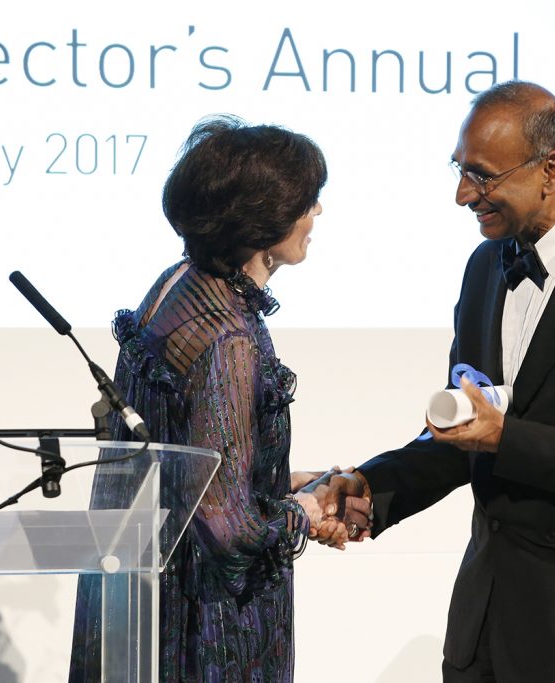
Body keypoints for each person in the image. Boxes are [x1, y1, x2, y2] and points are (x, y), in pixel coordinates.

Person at [329, 81, 555, 681]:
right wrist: (372, 488)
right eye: (459, 169)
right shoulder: (484, 268)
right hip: (483, 629)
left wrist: (510, 439)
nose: (461, 195)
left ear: (551, 169)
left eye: (481, 176)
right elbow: (465, 432)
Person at [69, 115, 370, 683]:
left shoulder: (177, 285)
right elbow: (227, 527)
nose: (317, 213)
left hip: (139, 601)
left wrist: (304, 480)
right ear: (263, 219)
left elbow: (199, 463)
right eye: (309, 200)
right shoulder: (228, 337)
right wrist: (307, 515)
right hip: (204, 624)